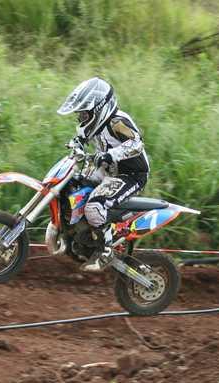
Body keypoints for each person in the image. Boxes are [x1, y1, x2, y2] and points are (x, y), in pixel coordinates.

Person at [57, 77, 150, 272]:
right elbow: (80, 137)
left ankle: (105, 249)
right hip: (107, 171)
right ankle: (76, 235)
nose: (81, 118)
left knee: (94, 205)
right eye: (80, 115)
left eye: (84, 114)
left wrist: (110, 155)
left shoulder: (117, 121)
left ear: (98, 109)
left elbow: (137, 144)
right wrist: (76, 144)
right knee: (72, 186)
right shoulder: (95, 124)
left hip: (131, 174)